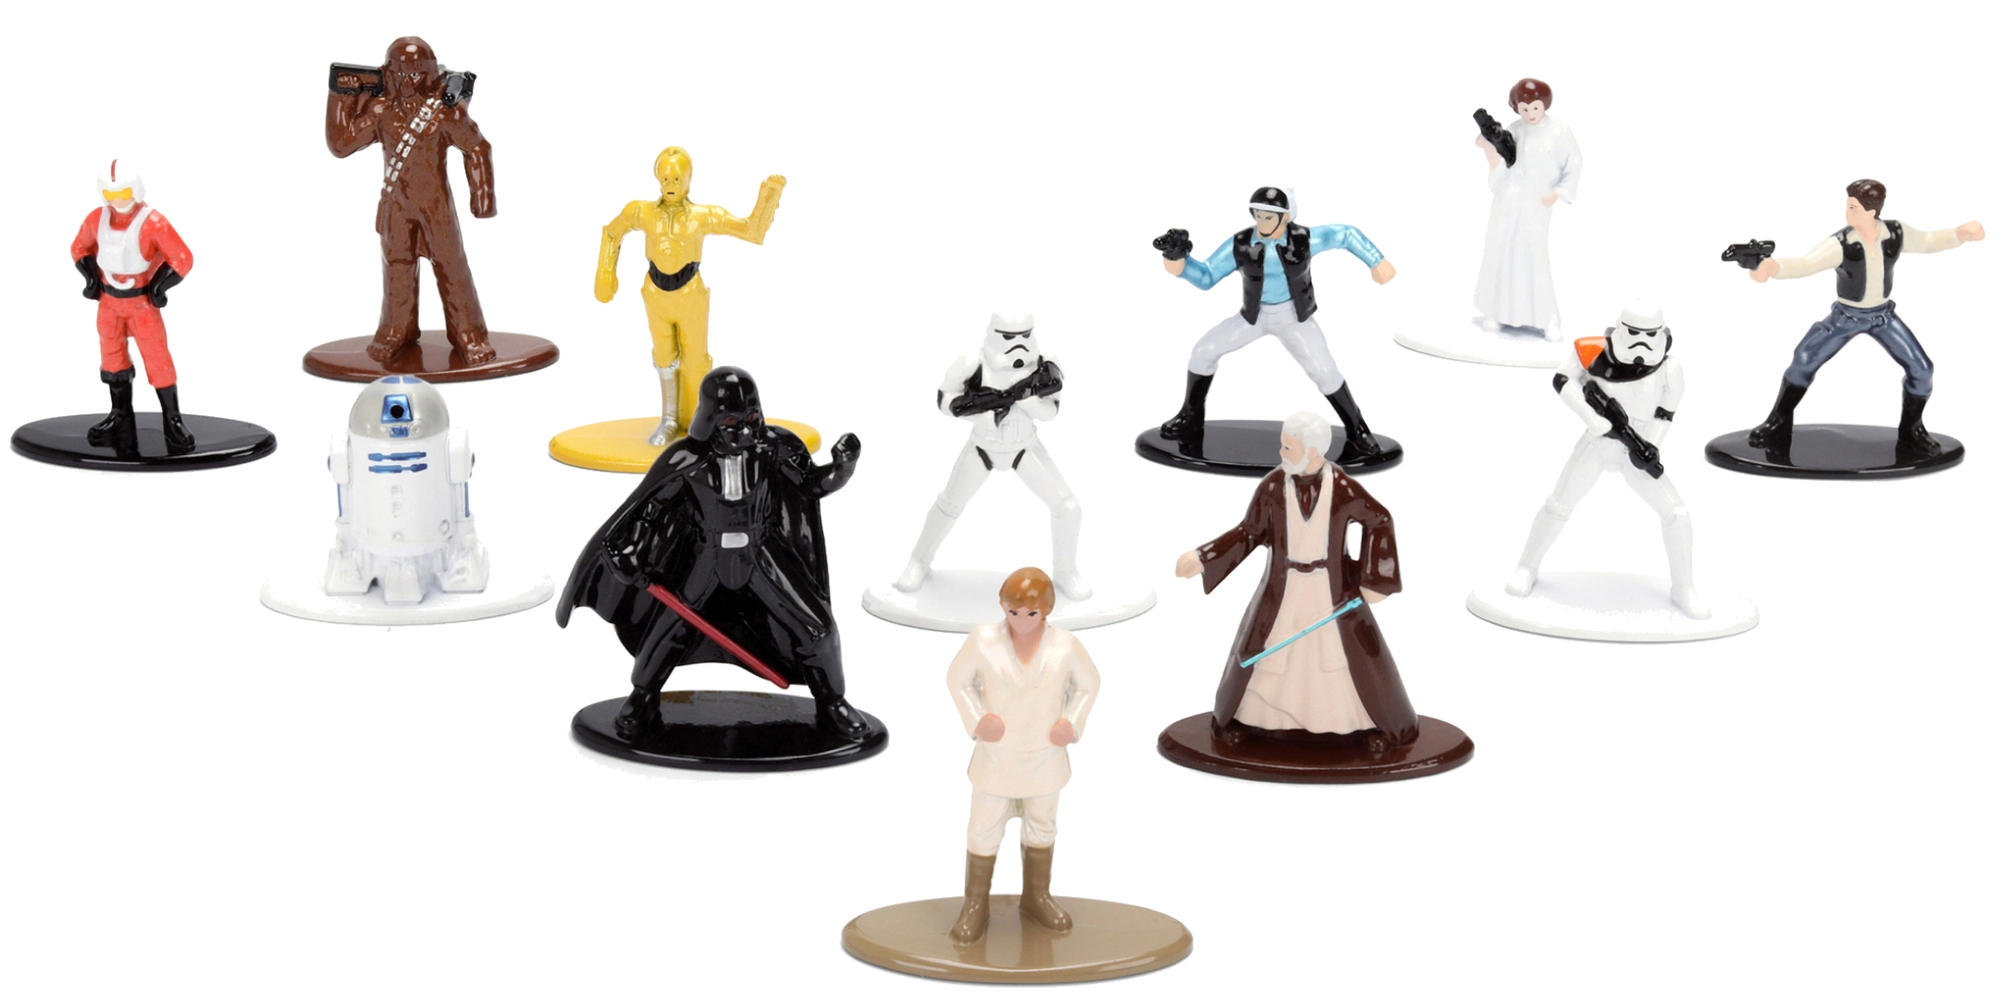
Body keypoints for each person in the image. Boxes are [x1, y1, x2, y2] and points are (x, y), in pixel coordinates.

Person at [556, 367, 868, 741]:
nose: (745, 431)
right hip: (706, 559)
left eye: (752, 418)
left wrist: (843, 468)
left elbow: (812, 485)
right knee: (669, 630)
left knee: (817, 629)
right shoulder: (687, 459)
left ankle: (832, 702)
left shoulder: (774, 448)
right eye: (733, 422)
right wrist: (632, 547)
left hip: (762, 557)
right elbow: (649, 508)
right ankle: (643, 696)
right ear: (710, 420)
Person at [1174, 413, 1417, 749]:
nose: (1281, 453)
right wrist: (1204, 557)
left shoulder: (1342, 487)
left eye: (1288, 448)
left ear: (1314, 452)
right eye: (1283, 445)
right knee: (1268, 654)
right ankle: (1252, 720)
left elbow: (1379, 519)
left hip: (1330, 591)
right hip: (1283, 590)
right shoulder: (1275, 486)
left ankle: (1357, 723)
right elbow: (1249, 532)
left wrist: (1375, 577)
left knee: (1339, 657)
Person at [1151, 186, 1397, 462]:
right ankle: (1190, 417)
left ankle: (1358, 430)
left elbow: (1347, 234)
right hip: (1254, 317)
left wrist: (1376, 260)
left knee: (1324, 372)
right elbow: (1206, 277)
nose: (1262, 222)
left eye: (1268, 217)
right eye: (1258, 215)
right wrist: (1176, 258)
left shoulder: (1305, 239)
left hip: (1294, 318)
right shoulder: (1241, 243)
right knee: (1203, 351)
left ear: (1286, 216)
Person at [1742, 179, 1983, 456]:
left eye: (1853, 207)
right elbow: (1806, 263)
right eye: (1848, 206)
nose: (1847, 212)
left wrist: (1960, 234)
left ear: (1872, 211)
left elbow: (1928, 241)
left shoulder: (1896, 232)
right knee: (1804, 358)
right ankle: (1779, 421)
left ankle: (1912, 429)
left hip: (1883, 316)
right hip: (1846, 317)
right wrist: (1773, 268)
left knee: (1922, 369)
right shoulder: (1840, 243)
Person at [1506, 300, 1706, 618]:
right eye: (1634, 333)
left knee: (1676, 514)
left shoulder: (1670, 369)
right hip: (1597, 443)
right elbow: (1562, 380)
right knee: (1558, 506)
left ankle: (1684, 588)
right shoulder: (1594, 351)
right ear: (1620, 329)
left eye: (1650, 334)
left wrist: (1648, 447)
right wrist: (1591, 418)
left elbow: (1665, 414)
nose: (1642, 341)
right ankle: (1526, 567)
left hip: (1636, 445)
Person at [944, 567, 1099, 944]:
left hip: (1045, 757)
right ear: (1002, 606)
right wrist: (978, 719)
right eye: (1013, 612)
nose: (1021, 621)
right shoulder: (982, 640)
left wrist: (1071, 722)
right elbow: (957, 680)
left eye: (1031, 613)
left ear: (1046, 611)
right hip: (996, 758)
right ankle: (975, 902)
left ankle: (1037, 896)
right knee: (983, 828)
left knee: (1042, 825)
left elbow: (1088, 684)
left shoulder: (1066, 646)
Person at [895, 312, 1092, 600]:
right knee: (949, 505)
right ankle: (918, 562)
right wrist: (982, 413)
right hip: (982, 446)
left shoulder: (1044, 363)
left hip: (1025, 447)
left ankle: (1066, 572)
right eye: (1009, 337)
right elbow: (946, 400)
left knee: (1068, 507)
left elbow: (1050, 412)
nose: (1018, 344)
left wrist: (1027, 399)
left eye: (1025, 335)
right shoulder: (972, 363)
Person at [595, 147, 785, 445]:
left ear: (688, 179)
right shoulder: (641, 212)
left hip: (690, 293)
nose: (670, 185)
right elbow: (611, 232)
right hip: (655, 292)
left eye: (676, 179)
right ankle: (669, 418)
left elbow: (751, 232)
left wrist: (768, 198)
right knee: (664, 357)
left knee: (696, 360)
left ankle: (700, 421)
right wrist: (605, 272)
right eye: (665, 178)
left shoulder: (703, 216)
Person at [327, 37, 498, 365]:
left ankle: (469, 335)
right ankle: (396, 329)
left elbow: (477, 147)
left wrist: (482, 197)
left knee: (451, 268)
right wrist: (342, 95)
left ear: (430, 75)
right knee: (397, 268)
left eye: (416, 74)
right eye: (400, 74)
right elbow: (341, 144)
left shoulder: (444, 112)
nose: (408, 83)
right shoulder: (381, 111)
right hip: (396, 205)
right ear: (388, 75)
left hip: (436, 207)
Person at [71, 160, 196, 453]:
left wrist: (159, 286)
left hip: (141, 305)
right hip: (109, 304)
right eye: (111, 194)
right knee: (112, 359)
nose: (118, 200)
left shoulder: (152, 223)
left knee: (157, 358)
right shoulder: (96, 220)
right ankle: (120, 415)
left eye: (124, 192)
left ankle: (172, 419)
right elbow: (78, 247)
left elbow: (182, 257)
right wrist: (91, 277)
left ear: (136, 189)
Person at [1472, 77, 1582, 340]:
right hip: (1508, 199)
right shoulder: (1513, 130)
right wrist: (1489, 147)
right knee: (1501, 252)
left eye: (1535, 107)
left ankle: (1546, 318)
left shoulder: (1559, 130)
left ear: (1544, 105)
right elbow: (1503, 165)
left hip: (1537, 202)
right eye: (1524, 108)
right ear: (1516, 108)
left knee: (1534, 256)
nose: (1530, 114)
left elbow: (1574, 162)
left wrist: (1558, 192)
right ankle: (1496, 311)